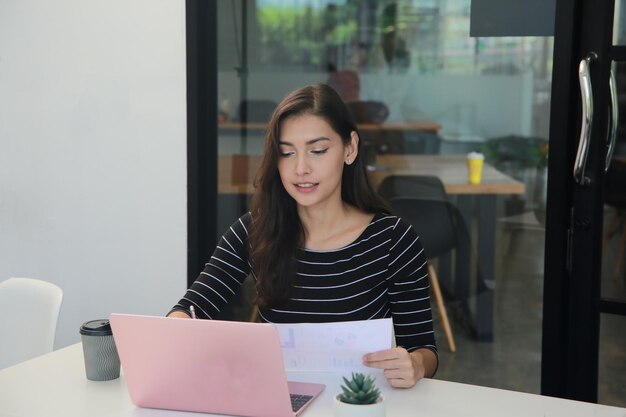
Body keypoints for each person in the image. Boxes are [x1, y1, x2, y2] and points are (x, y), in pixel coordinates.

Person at [168, 84, 438, 387]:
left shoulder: (392, 240)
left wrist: (414, 365)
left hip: (357, 405)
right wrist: (178, 328)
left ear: (350, 148)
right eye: (286, 153)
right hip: (278, 403)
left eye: (318, 151)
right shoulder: (255, 229)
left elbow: (424, 349)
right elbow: (192, 308)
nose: (300, 168)